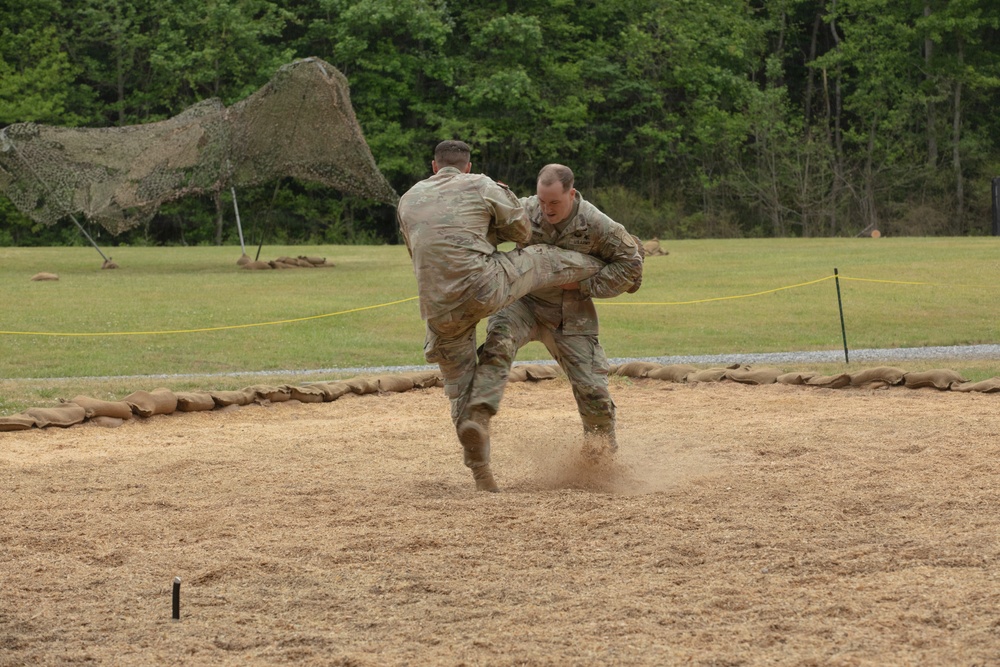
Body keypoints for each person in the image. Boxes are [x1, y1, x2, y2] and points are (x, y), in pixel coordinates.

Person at [397, 141, 608, 492]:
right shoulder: (481, 183)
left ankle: (482, 474)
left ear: (434, 167)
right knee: (542, 257)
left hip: (437, 306)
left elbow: (417, 250)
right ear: (467, 166)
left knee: (460, 392)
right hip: (484, 287)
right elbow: (522, 233)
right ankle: (602, 267)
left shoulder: (407, 199)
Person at [462, 163, 643, 470]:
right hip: (523, 302)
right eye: (542, 201)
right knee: (497, 347)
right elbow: (483, 235)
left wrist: (584, 284)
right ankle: (478, 417)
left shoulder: (598, 224)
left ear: (572, 194)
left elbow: (631, 267)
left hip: (570, 310)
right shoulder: (525, 210)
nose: (546, 210)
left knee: (592, 390)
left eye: (555, 203)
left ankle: (600, 460)